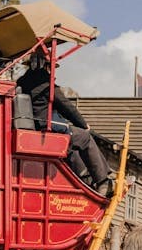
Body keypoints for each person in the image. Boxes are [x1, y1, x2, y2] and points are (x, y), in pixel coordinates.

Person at [16, 52, 113, 196]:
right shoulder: (44, 82)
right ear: (45, 65)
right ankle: (103, 181)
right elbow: (66, 106)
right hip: (48, 127)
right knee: (85, 138)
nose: (52, 71)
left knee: (72, 145)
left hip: (34, 127)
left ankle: (85, 178)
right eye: (51, 67)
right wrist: (83, 124)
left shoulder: (22, 81)